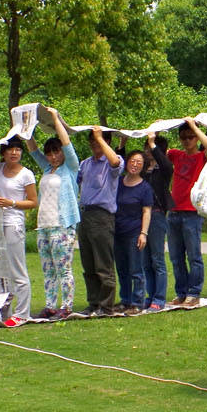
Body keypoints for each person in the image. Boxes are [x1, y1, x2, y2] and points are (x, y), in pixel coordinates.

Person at [25, 108, 80, 319]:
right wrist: (26, 125)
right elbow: (32, 149)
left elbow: (67, 145)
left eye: (56, 152)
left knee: (63, 269)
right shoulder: (47, 169)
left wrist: (56, 119)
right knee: (48, 270)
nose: (53, 156)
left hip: (62, 226)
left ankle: (66, 307)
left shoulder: (71, 168)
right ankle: (50, 305)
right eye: (49, 153)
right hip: (44, 226)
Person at [77, 125, 123, 316]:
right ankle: (93, 302)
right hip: (85, 214)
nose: (95, 145)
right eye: (93, 142)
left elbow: (115, 163)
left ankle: (106, 305)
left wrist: (101, 137)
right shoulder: (85, 163)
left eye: (99, 141)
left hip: (102, 216)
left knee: (103, 263)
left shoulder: (112, 161)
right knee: (88, 263)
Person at [166, 118, 207, 308]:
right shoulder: (176, 155)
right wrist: (160, 129)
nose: (187, 141)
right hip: (174, 211)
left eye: (191, 137)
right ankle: (181, 292)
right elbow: (159, 152)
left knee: (194, 256)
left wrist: (194, 126)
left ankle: (194, 293)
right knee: (176, 257)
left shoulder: (201, 157)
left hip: (192, 212)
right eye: (183, 137)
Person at [0, 138, 38, 321]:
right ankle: (3, 311)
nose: (14, 153)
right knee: (0, 271)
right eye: (10, 149)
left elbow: (33, 202)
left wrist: (12, 203)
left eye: (18, 149)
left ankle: (22, 313)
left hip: (13, 224)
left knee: (17, 269)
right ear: (4, 152)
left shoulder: (26, 174)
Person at [113, 149, 155, 314]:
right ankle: (125, 300)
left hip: (134, 233)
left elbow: (147, 211)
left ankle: (137, 303)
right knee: (122, 268)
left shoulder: (145, 187)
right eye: (132, 161)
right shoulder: (119, 182)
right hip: (117, 231)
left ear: (143, 166)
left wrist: (143, 233)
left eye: (139, 162)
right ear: (127, 162)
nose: (135, 164)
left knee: (136, 269)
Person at [141, 132, 173, 310]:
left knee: (157, 259)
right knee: (145, 260)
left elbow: (165, 163)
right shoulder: (143, 171)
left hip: (157, 215)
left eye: (150, 147)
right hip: (141, 217)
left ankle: (159, 298)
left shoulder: (163, 170)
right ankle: (149, 295)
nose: (147, 151)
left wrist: (154, 142)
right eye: (146, 147)